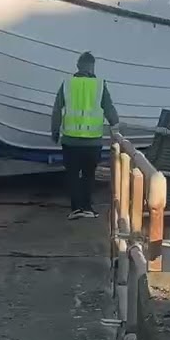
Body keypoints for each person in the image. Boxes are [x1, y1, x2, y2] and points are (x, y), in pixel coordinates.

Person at [50, 52, 120, 219]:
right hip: (92, 142)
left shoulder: (67, 84)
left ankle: (75, 209)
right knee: (89, 175)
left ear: (78, 66)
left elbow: (56, 110)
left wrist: (55, 132)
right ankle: (88, 207)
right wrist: (115, 129)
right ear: (92, 66)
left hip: (70, 141)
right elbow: (110, 110)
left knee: (73, 175)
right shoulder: (100, 85)